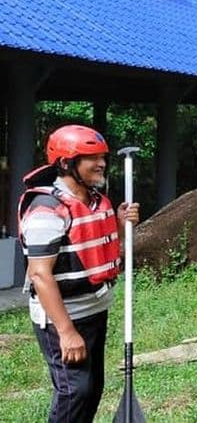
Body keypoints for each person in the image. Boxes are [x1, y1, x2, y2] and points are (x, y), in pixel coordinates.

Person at [18, 125, 139, 423]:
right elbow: (40, 275)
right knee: (75, 391)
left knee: (92, 388)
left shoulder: (97, 201)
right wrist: (67, 332)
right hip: (64, 317)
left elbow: (98, 250)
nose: (101, 164)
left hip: (95, 310)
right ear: (66, 164)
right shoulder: (47, 208)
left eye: (102, 157)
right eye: (91, 158)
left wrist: (121, 226)